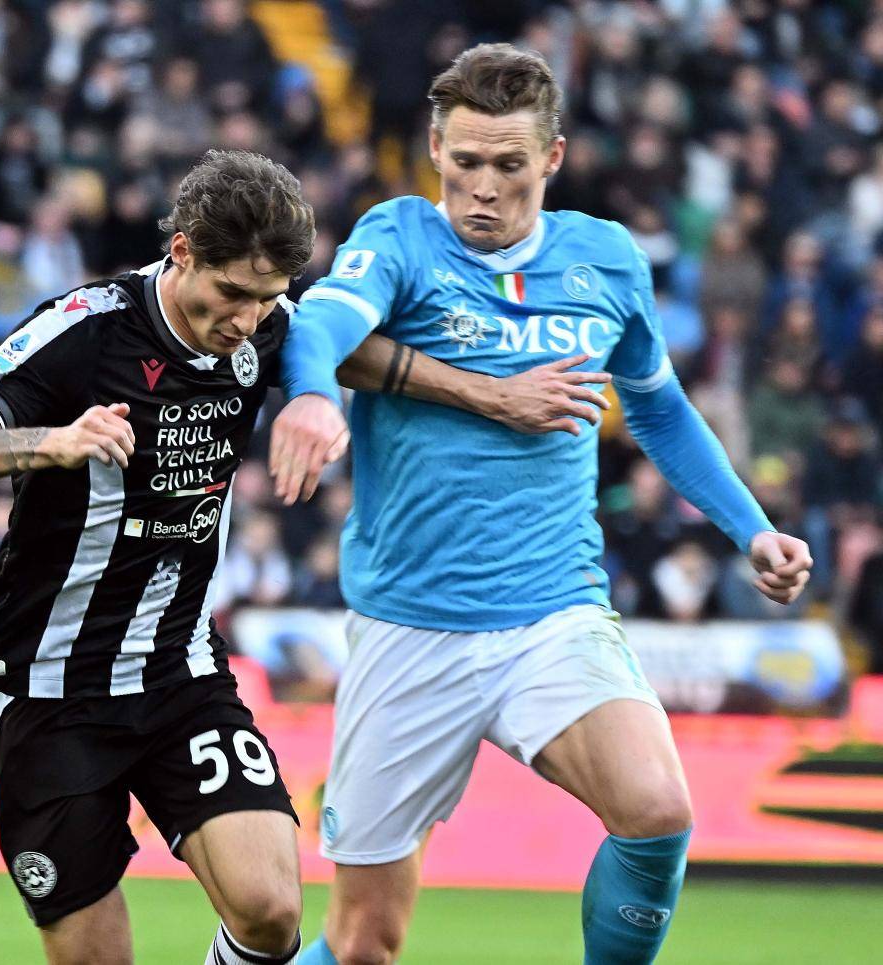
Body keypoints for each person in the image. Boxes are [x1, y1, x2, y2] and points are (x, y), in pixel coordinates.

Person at [0, 148, 610, 965]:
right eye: (233, 293)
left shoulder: (265, 326)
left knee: (270, 908)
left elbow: (349, 353)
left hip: (177, 670)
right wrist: (48, 442)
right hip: (48, 688)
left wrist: (487, 395)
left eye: (268, 298)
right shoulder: (86, 329)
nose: (248, 319)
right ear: (183, 250)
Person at [270, 44, 814, 965]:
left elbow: (660, 408)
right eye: (466, 161)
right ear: (436, 149)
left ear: (551, 158)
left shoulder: (606, 258)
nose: (484, 187)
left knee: (657, 809)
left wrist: (751, 527)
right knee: (363, 943)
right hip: (410, 624)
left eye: (509, 164)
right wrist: (315, 397)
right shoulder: (400, 236)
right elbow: (320, 322)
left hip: (552, 610)